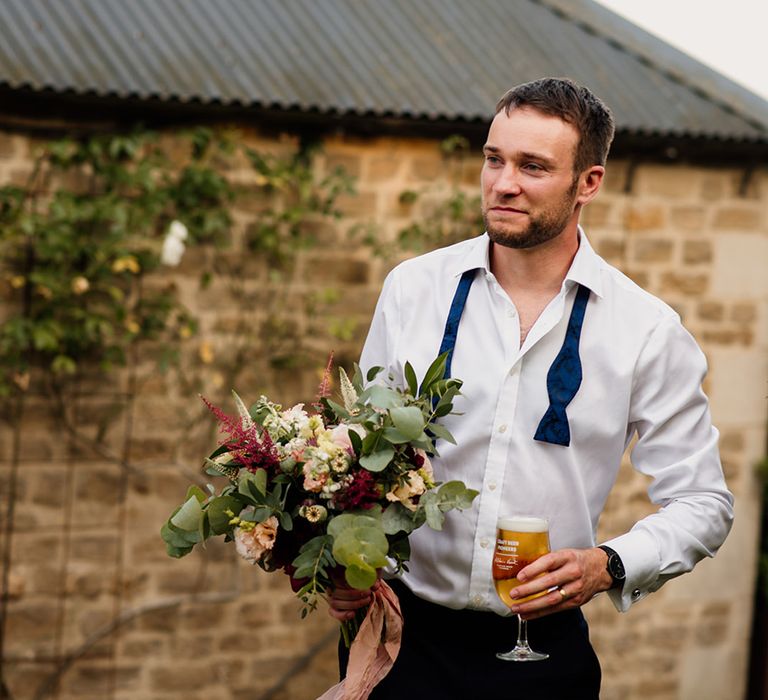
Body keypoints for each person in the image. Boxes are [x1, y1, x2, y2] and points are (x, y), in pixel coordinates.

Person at [328, 77, 734, 699]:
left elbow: (704, 502)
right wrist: (343, 559)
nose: (503, 183)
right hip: (396, 639)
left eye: (533, 166)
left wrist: (608, 564)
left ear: (588, 183)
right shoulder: (413, 289)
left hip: (540, 655)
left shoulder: (646, 330)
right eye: (494, 159)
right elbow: (359, 456)